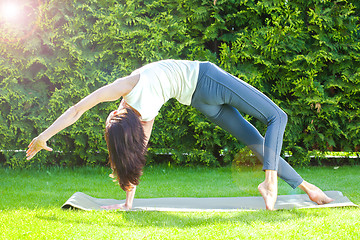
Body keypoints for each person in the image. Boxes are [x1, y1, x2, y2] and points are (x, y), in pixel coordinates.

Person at [26, 60, 334, 210]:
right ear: (117, 115)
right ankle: (270, 182)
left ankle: (307, 188)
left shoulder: (144, 121)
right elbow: (79, 108)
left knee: (255, 141)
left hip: (201, 103)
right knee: (277, 116)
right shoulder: (128, 86)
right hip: (208, 80)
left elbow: (134, 159)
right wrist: (43, 135)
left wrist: (128, 202)